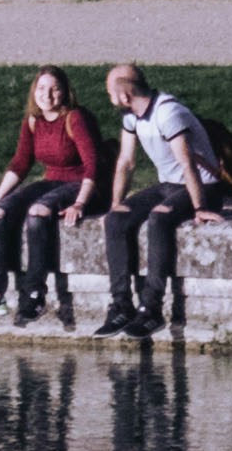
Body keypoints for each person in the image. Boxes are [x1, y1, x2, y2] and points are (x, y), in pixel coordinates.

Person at [0, 68, 106, 324]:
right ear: (33, 92)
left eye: (54, 89)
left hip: (83, 184)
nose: (47, 95)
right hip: (51, 181)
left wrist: (80, 203)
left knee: (38, 211)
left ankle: (34, 294)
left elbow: (93, 164)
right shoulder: (33, 120)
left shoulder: (75, 118)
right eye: (41, 88)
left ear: (65, 92)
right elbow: (21, 163)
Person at [94, 64, 224, 339]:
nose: (109, 99)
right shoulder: (132, 117)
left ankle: (151, 309)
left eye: (110, 93)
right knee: (117, 220)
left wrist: (200, 208)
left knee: (159, 218)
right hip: (168, 185)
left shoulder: (168, 112)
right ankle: (120, 305)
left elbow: (187, 164)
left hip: (203, 187)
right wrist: (115, 203)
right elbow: (126, 163)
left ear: (125, 94)